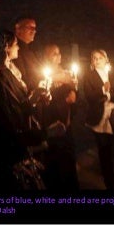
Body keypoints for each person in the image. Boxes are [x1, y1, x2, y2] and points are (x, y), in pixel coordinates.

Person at [0, 30, 65, 190]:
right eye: (14, 45)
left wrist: (35, 96)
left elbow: (16, 109)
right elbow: (7, 133)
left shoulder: (0, 77)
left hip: (9, 156)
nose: (18, 49)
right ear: (0, 50)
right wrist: (46, 133)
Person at [84, 49, 114, 190]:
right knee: (105, 156)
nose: (97, 60)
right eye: (94, 58)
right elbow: (89, 96)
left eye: (100, 57)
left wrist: (109, 96)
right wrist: (103, 91)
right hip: (99, 120)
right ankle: (110, 186)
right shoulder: (89, 76)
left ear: (106, 59)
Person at [39, 43, 79, 191]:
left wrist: (74, 92)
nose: (58, 56)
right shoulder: (44, 74)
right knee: (54, 160)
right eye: (54, 53)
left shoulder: (66, 73)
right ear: (46, 57)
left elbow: (73, 92)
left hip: (66, 121)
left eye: (59, 52)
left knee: (68, 159)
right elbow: (46, 97)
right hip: (52, 122)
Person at [11, 15, 43, 92]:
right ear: (18, 30)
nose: (34, 31)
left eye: (34, 28)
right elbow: (23, 79)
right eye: (30, 28)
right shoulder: (14, 52)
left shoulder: (30, 51)